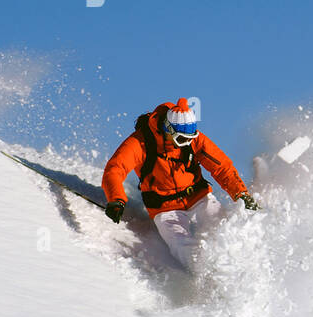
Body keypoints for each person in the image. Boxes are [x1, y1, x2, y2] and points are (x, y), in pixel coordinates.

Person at [101, 98, 259, 268]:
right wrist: (116, 199)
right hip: (165, 208)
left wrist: (241, 194)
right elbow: (115, 169)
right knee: (182, 245)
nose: (187, 143)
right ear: (167, 129)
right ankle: (207, 276)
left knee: (224, 230)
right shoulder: (140, 143)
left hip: (199, 198)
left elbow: (222, 167)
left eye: (190, 138)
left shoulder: (192, 140)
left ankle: (245, 266)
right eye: (181, 139)